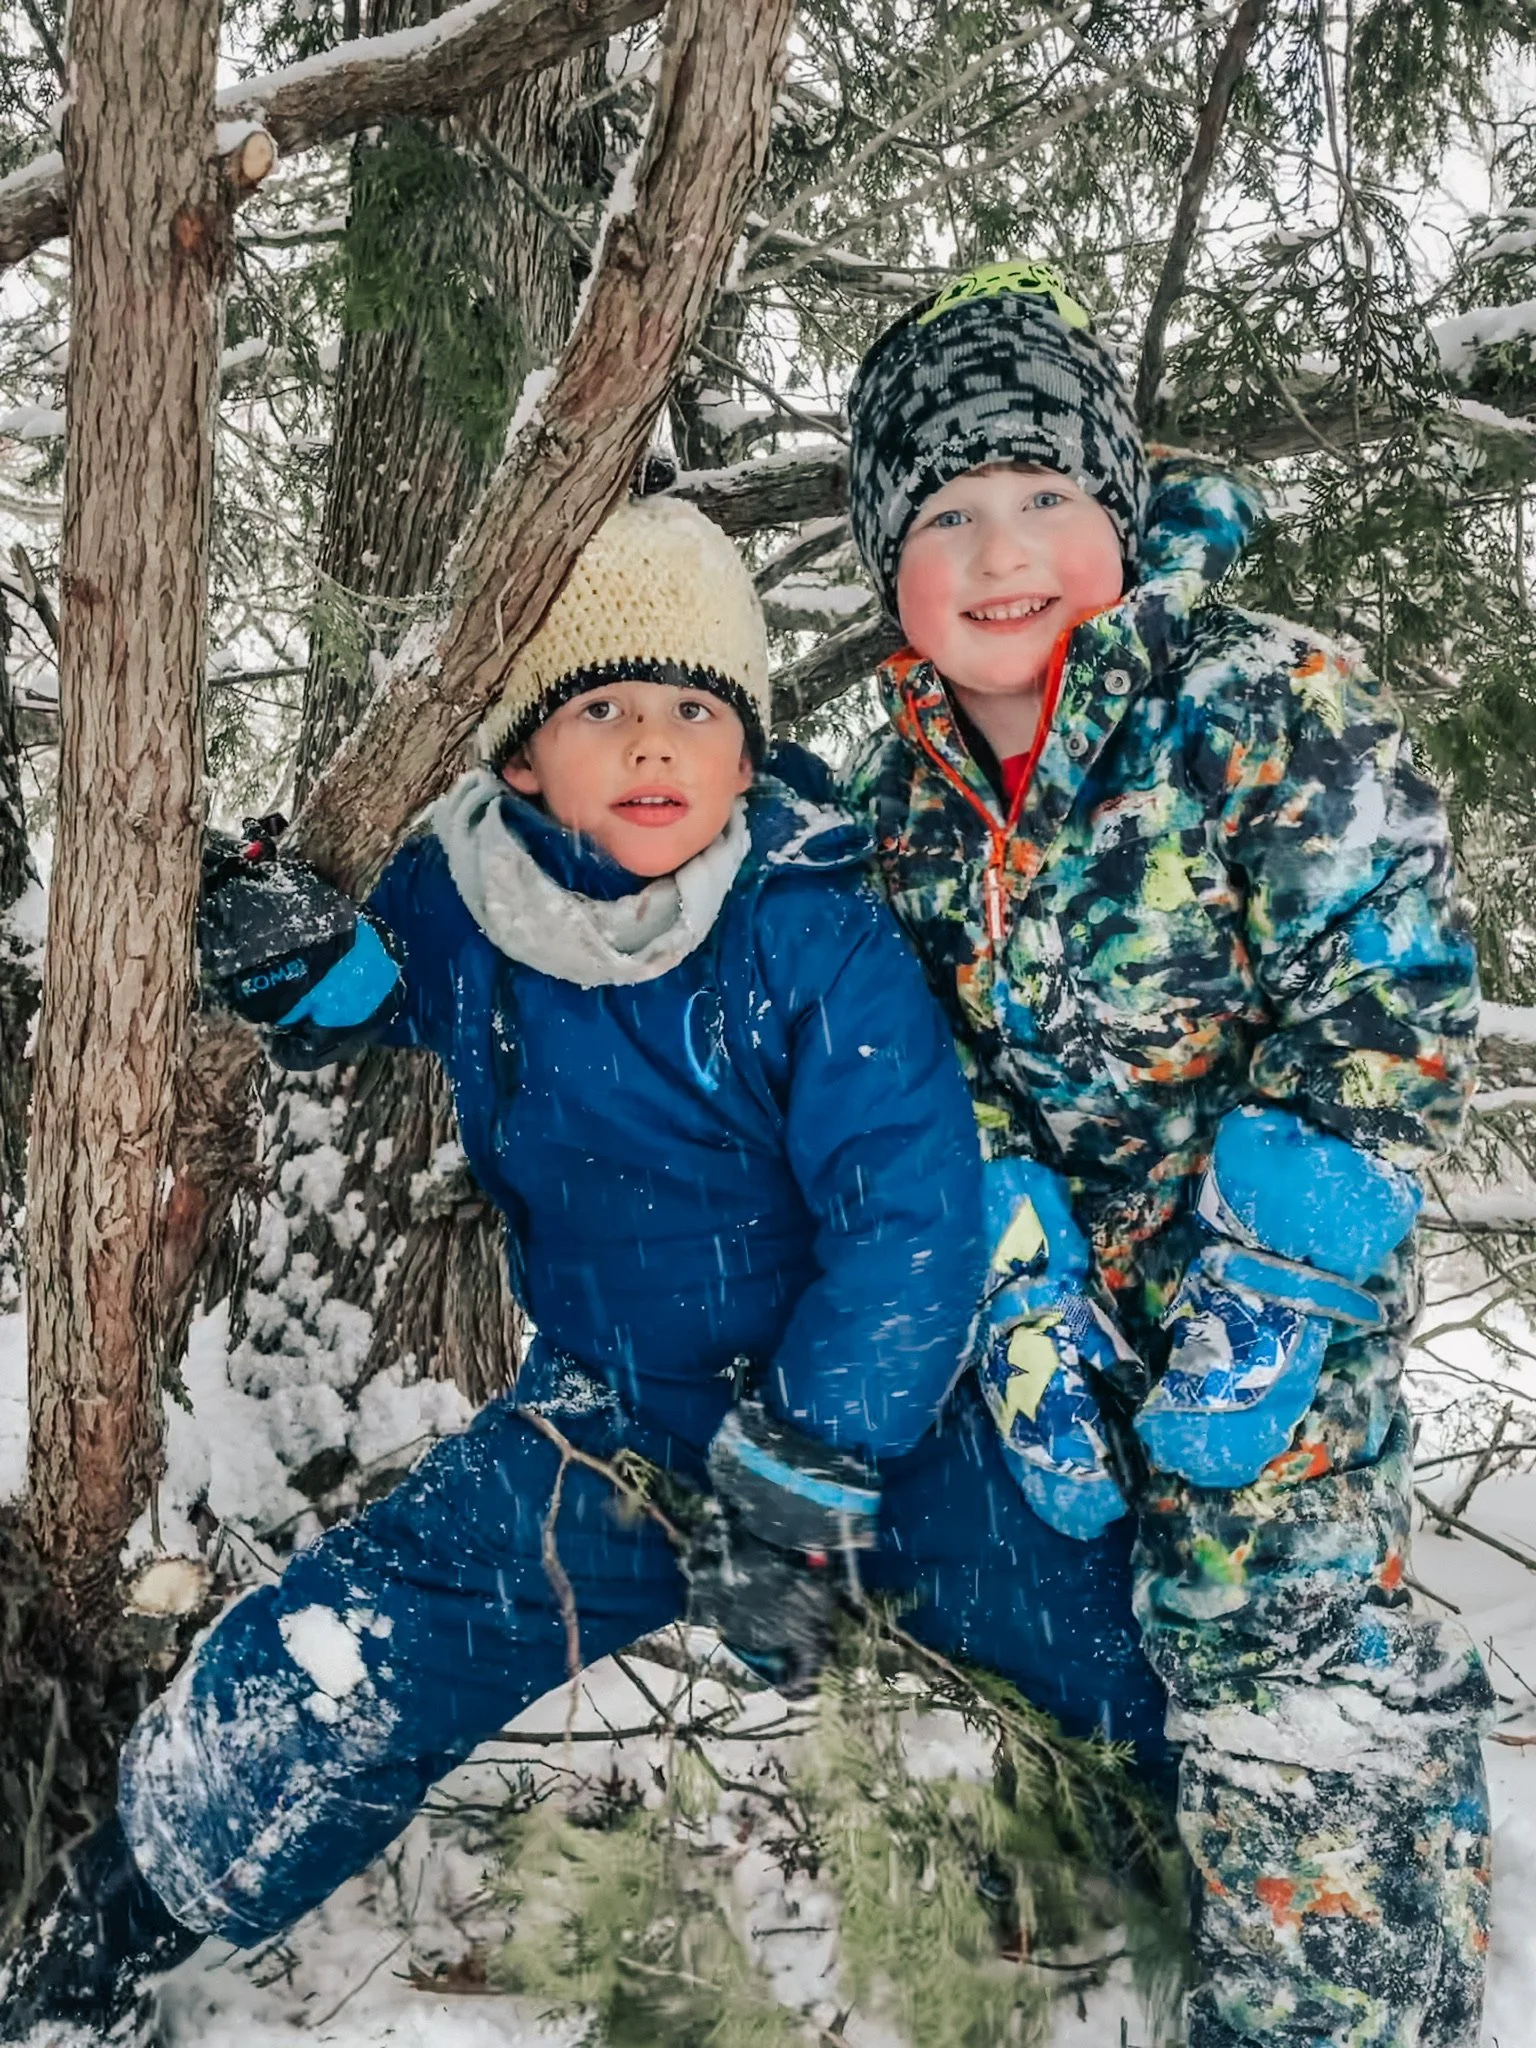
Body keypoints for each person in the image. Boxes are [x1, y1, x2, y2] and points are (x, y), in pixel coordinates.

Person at [1, 488, 1169, 2039]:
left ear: (747, 751)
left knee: (1107, 1642)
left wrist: (816, 1454)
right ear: (519, 755)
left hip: (880, 1422)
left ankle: (1210, 1853)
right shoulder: (468, 891)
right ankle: (110, 1921)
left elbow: (911, 1219)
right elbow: (392, 984)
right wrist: (310, 968)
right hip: (614, 1414)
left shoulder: (808, 927)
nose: (652, 747)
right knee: (356, 1644)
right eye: (603, 705)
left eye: (695, 708)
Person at [842, 260, 1495, 2048]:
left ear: (1120, 514)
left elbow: (1388, 976)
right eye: (950, 511)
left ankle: (1326, 2009)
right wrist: (1018, 1267)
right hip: (1084, 1300)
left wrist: (1278, 1277)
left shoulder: (1257, 702)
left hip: (1285, 1279)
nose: (1002, 552)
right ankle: (1399, 1911)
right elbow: (917, 1062)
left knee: (1267, 1614)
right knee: (1169, 1631)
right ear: (886, 561)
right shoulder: (897, 803)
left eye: (1047, 496)